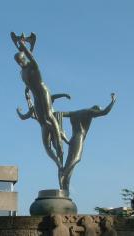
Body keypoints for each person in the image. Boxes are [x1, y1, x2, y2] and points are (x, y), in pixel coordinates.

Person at [12, 32, 69, 168]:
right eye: (19, 61)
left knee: (49, 115)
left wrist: (22, 45)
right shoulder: (22, 72)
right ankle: (56, 160)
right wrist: (27, 91)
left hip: (43, 92)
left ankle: (60, 145)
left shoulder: (33, 66)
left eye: (22, 59)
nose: (21, 62)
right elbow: (28, 84)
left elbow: (31, 57)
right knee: (43, 122)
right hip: (36, 96)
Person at [60, 93, 116, 191]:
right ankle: (63, 173)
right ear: (95, 110)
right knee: (77, 159)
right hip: (79, 137)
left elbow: (60, 113)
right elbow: (105, 112)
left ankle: (65, 189)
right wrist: (113, 101)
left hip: (72, 139)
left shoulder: (75, 113)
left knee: (70, 164)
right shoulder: (90, 112)